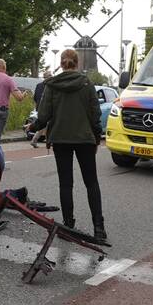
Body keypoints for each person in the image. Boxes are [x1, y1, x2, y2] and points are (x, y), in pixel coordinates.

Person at [26, 49, 106, 241]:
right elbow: (95, 115)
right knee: (91, 182)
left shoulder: (52, 85)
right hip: (84, 139)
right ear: (76, 63)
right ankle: (99, 228)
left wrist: (33, 126)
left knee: (65, 183)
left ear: (61, 64)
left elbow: (44, 115)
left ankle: (68, 225)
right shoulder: (87, 84)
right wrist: (96, 137)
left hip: (61, 139)